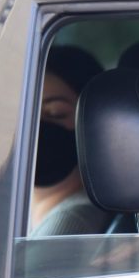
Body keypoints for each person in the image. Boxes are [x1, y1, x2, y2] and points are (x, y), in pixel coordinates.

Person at [30, 45, 111, 237]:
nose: (37, 125)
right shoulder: (19, 215)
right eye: (26, 113)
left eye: (56, 113)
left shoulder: (71, 222)